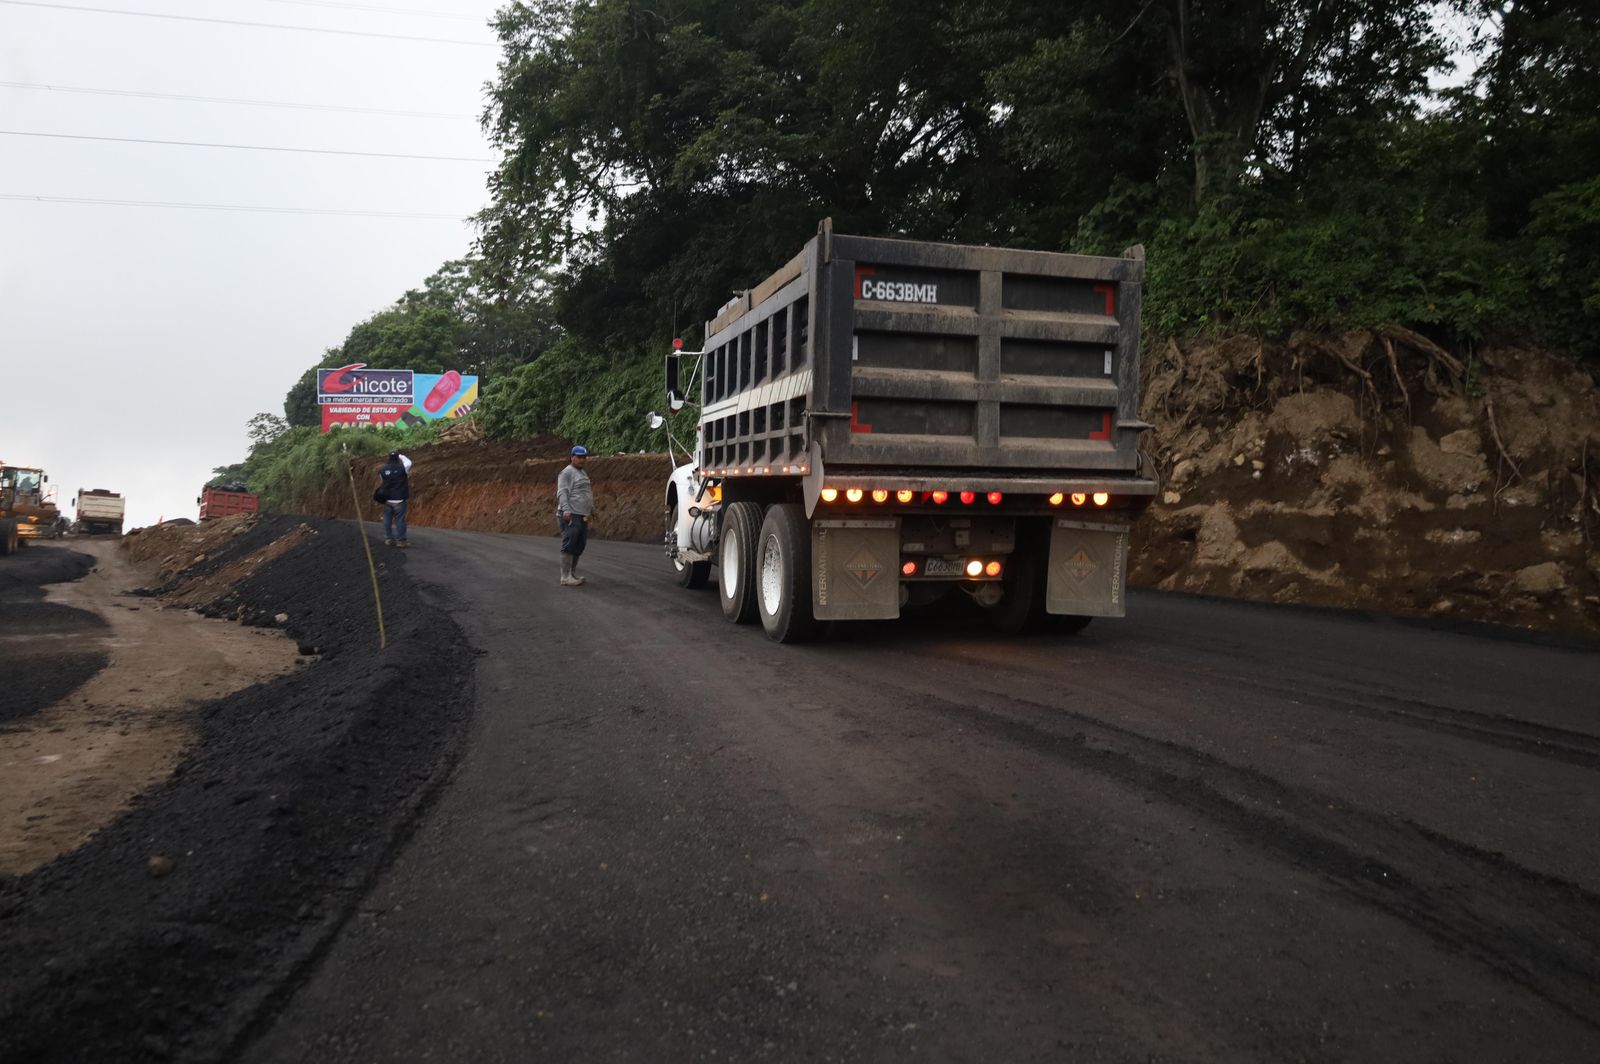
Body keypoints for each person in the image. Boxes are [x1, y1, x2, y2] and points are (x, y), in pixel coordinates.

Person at [556, 445, 593, 587]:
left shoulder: (583, 473)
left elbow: (586, 493)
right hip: (571, 514)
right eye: (579, 457)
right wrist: (566, 510)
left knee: (580, 545)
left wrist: (591, 509)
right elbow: (562, 492)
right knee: (569, 544)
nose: (582, 460)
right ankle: (565, 576)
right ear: (572, 457)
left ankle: (571, 573)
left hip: (582, 514)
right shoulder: (566, 473)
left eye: (584, 457)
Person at [376, 450, 411, 548]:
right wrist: (401, 456)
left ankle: (389, 539)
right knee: (400, 520)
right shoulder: (403, 468)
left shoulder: (383, 469)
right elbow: (409, 462)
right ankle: (401, 541)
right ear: (397, 458)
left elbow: (382, 481)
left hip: (387, 499)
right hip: (399, 499)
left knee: (387, 519)